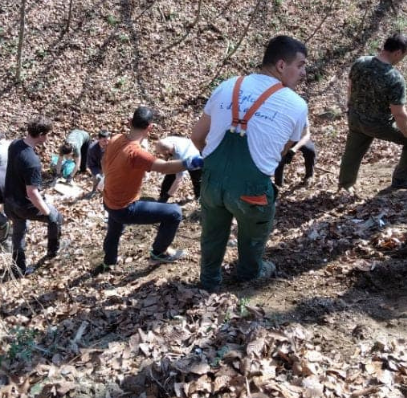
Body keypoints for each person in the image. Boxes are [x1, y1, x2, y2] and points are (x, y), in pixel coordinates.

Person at [191, 35, 310, 291]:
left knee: (212, 234)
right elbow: (279, 154)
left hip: (211, 181)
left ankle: (209, 281)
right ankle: (249, 273)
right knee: (254, 231)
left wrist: (216, 167)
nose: (303, 72)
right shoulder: (297, 105)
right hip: (251, 189)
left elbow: (197, 137)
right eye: (300, 65)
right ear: (281, 65)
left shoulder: (227, 86)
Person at [98, 105, 197, 272]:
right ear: (150, 128)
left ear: (130, 122)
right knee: (174, 213)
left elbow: (103, 162)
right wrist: (191, 163)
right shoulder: (136, 153)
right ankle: (159, 252)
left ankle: (109, 262)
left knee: (114, 229)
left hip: (108, 200)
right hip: (124, 208)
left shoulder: (115, 139)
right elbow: (164, 168)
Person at [338, 32, 407, 191]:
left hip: (355, 117)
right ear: (398, 52)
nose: (402, 59)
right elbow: (399, 114)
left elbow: (350, 87)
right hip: (378, 124)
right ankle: (402, 179)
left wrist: (350, 109)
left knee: (352, 151)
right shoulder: (394, 78)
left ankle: (345, 185)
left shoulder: (360, 62)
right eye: (403, 55)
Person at [2, 116, 60, 277]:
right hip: (23, 205)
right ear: (41, 134)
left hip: (9, 200)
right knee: (56, 217)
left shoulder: (15, 145)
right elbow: (32, 193)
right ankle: (53, 251)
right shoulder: (32, 162)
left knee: (18, 233)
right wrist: (47, 212)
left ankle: (18, 269)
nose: (48, 138)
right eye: (47, 134)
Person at [153, 134, 204, 202]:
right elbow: (166, 153)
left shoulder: (180, 156)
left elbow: (179, 180)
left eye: (162, 154)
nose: (161, 155)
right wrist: (166, 161)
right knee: (170, 174)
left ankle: (199, 197)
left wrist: (167, 196)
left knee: (196, 179)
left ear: (167, 152)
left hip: (194, 156)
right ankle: (162, 195)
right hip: (186, 146)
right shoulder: (167, 141)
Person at [87, 130, 110, 194]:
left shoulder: (111, 145)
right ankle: (94, 191)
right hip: (98, 167)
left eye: (108, 140)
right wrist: (97, 174)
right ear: (99, 139)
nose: (106, 143)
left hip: (108, 165)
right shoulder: (92, 149)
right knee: (96, 179)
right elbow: (91, 164)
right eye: (104, 141)